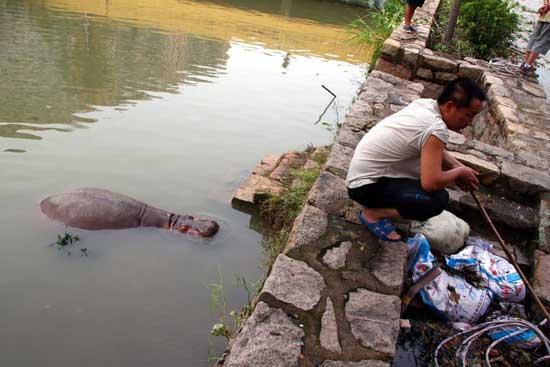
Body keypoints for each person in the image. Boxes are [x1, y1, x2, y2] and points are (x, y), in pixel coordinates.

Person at [346, 78, 485, 241]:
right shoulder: (435, 128)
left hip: (361, 178)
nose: (469, 123)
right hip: (364, 187)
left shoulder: (425, 105)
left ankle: (385, 204)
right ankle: (373, 214)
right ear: (449, 106)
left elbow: (437, 150)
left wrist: (457, 167)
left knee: (427, 186)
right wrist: (459, 172)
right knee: (437, 200)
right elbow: (431, 183)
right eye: (469, 115)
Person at [521, 0, 550, 74]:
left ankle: (525, 63)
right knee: (542, 41)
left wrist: (546, 5)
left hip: (544, 14)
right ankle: (527, 66)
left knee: (534, 38)